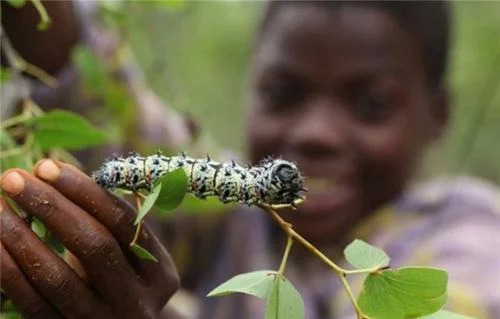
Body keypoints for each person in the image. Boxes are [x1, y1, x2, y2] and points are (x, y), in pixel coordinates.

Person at [1, 1, 499, 319]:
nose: (316, 134)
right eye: (283, 94)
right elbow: (106, 106)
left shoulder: (475, 242)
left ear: (437, 116)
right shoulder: (241, 219)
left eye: (370, 104)